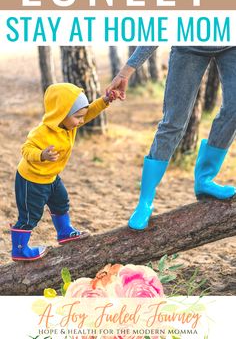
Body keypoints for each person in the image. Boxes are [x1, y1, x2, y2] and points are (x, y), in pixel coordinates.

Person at [106, 46, 236, 230]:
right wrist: (126, 72)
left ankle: (205, 179)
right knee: (173, 123)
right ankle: (145, 202)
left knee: (234, 111)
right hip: (189, 47)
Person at [11, 82, 117, 261]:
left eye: (81, 117)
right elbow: (25, 149)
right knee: (31, 215)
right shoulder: (41, 132)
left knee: (61, 201)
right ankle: (19, 249)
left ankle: (64, 232)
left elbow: (88, 112)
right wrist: (41, 155)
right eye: (78, 117)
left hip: (51, 177)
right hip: (32, 180)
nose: (81, 121)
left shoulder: (69, 125)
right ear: (61, 114)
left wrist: (105, 100)